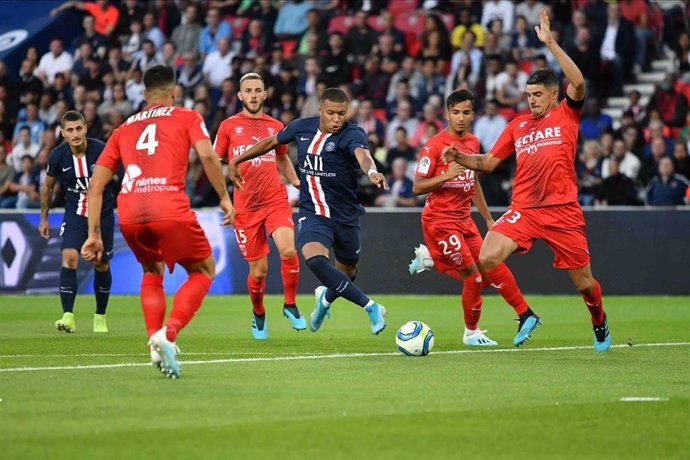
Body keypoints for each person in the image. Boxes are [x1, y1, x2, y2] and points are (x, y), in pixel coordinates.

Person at [442, 10, 611, 352]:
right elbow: (489, 162)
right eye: (528, 94)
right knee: (488, 256)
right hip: (525, 210)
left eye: (537, 94)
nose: (531, 99)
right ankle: (526, 313)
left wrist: (550, 43)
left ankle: (599, 320)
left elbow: (577, 82)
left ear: (552, 95)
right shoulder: (517, 126)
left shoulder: (567, 114)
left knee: (584, 284)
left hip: (563, 211)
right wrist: (460, 157)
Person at [81, 65, 234, 379]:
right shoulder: (187, 116)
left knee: (151, 271)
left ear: (144, 93)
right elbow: (207, 155)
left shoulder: (122, 129)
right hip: (168, 205)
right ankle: (169, 333)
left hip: (130, 211)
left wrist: (93, 234)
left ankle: (154, 341)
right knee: (203, 270)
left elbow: (95, 185)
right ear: (174, 92)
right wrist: (223, 195)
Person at [228, 88, 389, 335]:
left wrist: (372, 172)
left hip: (345, 216)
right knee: (314, 259)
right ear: (320, 111)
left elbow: (363, 155)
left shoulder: (352, 133)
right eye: (331, 113)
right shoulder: (302, 128)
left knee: (348, 274)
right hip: (312, 213)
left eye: (342, 114)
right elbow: (271, 142)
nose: (336, 119)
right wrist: (237, 161)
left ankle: (324, 300)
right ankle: (371, 307)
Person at [408, 89, 533, 347]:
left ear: (473, 115)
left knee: (487, 273)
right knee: (473, 278)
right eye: (456, 113)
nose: (461, 118)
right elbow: (417, 187)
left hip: (465, 221)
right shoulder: (433, 145)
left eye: (466, 112)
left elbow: (473, 181)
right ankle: (471, 332)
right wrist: (445, 175)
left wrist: (488, 219)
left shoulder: (474, 143)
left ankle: (431, 259)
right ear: (447, 114)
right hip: (440, 222)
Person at [214, 73, 305, 339]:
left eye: (258, 90)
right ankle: (258, 313)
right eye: (248, 91)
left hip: (274, 200)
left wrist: (296, 181)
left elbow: (282, 159)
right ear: (240, 96)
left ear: (265, 94)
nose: (253, 95)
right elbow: (216, 163)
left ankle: (290, 305)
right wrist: (224, 198)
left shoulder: (275, 125)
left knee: (288, 249)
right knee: (260, 271)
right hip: (245, 208)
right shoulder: (228, 126)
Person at [39, 111, 114, 334]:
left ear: (85, 128)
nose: (75, 134)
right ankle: (68, 316)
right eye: (70, 130)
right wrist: (44, 218)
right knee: (69, 257)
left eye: (78, 128)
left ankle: (100, 317)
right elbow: (48, 187)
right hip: (74, 215)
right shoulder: (58, 155)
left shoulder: (101, 150)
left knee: (101, 264)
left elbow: (119, 176)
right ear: (63, 133)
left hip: (103, 214)